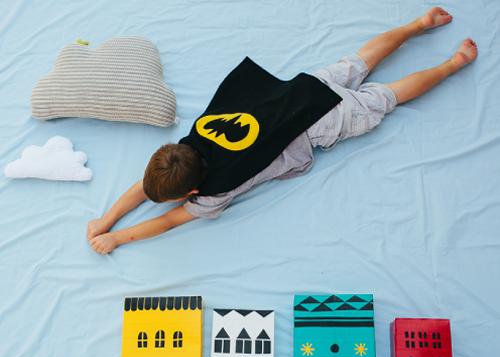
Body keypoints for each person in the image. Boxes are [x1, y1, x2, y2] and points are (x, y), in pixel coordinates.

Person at [87, 7, 477, 254]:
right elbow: (146, 186)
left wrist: (117, 237)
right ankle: (418, 24)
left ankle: (452, 65)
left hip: (318, 121)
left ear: (191, 193)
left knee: (388, 97)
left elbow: (169, 220)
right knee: (357, 62)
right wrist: (105, 220)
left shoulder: (213, 193)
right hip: (300, 89)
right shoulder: (186, 146)